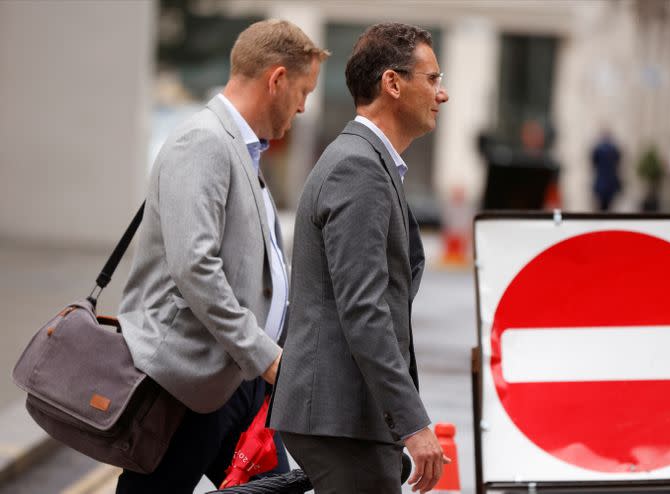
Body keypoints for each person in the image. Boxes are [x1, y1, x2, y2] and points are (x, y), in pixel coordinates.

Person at [115, 19, 328, 493]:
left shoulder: (241, 150)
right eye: (302, 91)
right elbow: (196, 267)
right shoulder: (203, 142)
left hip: (234, 379)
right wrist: (265, 356)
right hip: (187, 382)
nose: (302, 106)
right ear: (276, 79)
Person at [269, 23, 450, 493]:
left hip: (346, 415)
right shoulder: (359, 168)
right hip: (340, 418)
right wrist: (413, 423)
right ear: (392, 83)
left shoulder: (369, 162)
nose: (442, 93)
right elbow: (364, 310)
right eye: (432, 79)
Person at [590, 130, 622, 211]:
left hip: (602, 181)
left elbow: (594, 162)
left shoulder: (598, 149)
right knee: (608, 206)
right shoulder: (613, 148)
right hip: (610, 181)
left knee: (602, 206)